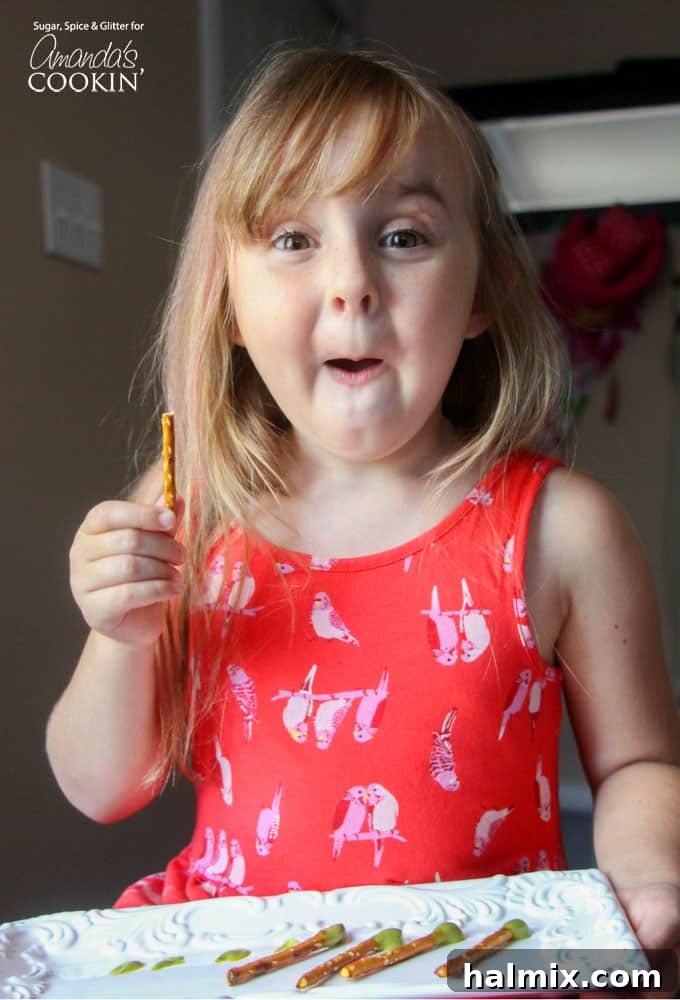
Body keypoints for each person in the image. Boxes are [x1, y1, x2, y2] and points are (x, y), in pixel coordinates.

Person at [47, 47, 680, 961]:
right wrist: (119, 635)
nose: (351, 283)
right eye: (294, 240)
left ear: (483, 296)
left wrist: (649, 887)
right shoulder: (192, 509)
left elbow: (639, 766)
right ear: (228, 304)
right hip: (236, 965)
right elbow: (98, 787)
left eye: (404, 236)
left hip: (485, 960)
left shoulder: (562, 529)